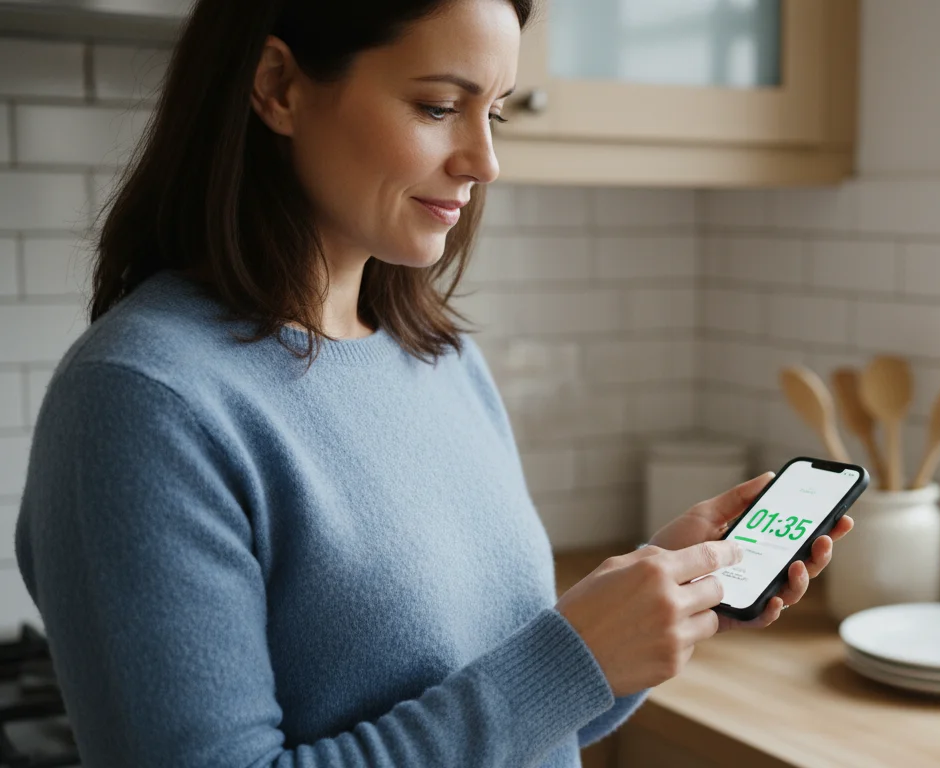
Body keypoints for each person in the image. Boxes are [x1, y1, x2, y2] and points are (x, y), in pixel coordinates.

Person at [13, 0, 855, 765]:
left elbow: (516, 721)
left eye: (493, 112)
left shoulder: (435, 356)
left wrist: (647, 602)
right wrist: (573, 657)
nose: (483, 161)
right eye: (439, 107)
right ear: (277, 86)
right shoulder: (143, 402)